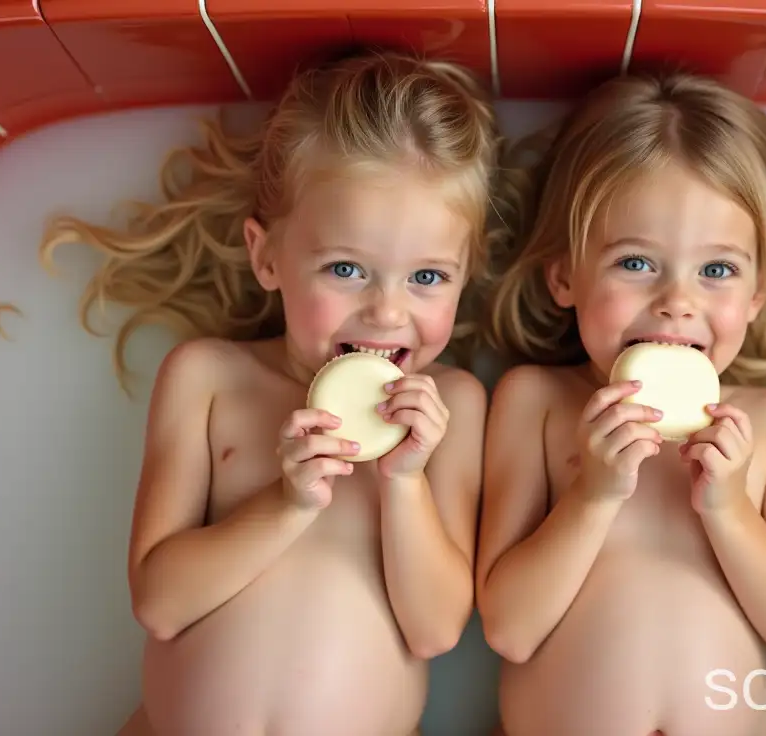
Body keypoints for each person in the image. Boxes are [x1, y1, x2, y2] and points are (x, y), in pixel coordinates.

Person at [39, 50, 502, 736]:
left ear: (466, 275)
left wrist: (404, 482)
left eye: (427, 278)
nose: (386, 312)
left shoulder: (451, 407)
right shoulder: (209, 378)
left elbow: (433, 630)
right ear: (267, 258)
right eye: (346, 268)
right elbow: (162, 604)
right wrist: (288, 504)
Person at [475, 70, 766, 735]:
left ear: (756, 295)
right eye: (635, 263)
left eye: (717, 270)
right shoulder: (540, 403)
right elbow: (510, 630)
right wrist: (594, 495)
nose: (677, 300)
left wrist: (728, 511)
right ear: (564, 276)